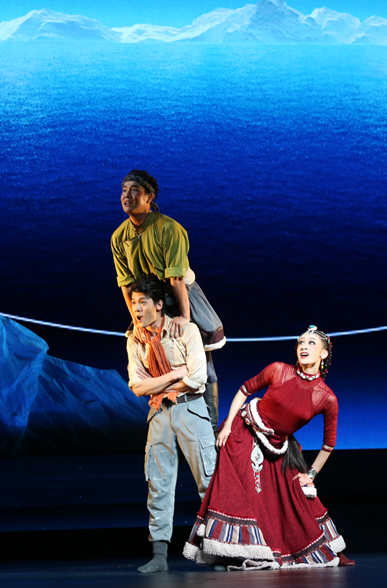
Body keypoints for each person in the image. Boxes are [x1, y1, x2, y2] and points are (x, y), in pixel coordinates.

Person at [183, 325, 353, 570]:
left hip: (278, 446)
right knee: (242, 491)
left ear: (324, 354)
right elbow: (245, 390)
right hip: (245, 431)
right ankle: (228, 552)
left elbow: (329, 443)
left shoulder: (326, 398)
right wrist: (228, 424)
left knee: (294, 496)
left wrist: (312, 474)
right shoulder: (278, 370)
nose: (303, 346)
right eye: (300, 342)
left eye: (311, 343)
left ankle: (290, 549)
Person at [111, 170, 224, 430]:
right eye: (124, 190)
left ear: (149, 196)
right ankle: (171, 424)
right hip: (149, 303)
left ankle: (211, 427)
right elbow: (127, 284)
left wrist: (185, 316)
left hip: (180, 296)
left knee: (203, 364)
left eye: (134, 190)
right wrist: (137, 320)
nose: (127, 196)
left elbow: (176, 278)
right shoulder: (119, 237)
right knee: (156, 359)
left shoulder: (169, 229)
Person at [125, 275, 218, 573]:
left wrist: (162, 383)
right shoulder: (135, 339)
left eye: (143, 302)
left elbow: (197, 377)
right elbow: (137, 386)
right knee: (158, 483)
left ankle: (220, 551)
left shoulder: (185, 330)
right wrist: (174, 375)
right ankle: (159, 555)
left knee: (209, 482)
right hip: (160, 413)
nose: (137, 309)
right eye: (134, 303)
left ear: (159, 305)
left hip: (191, 410)